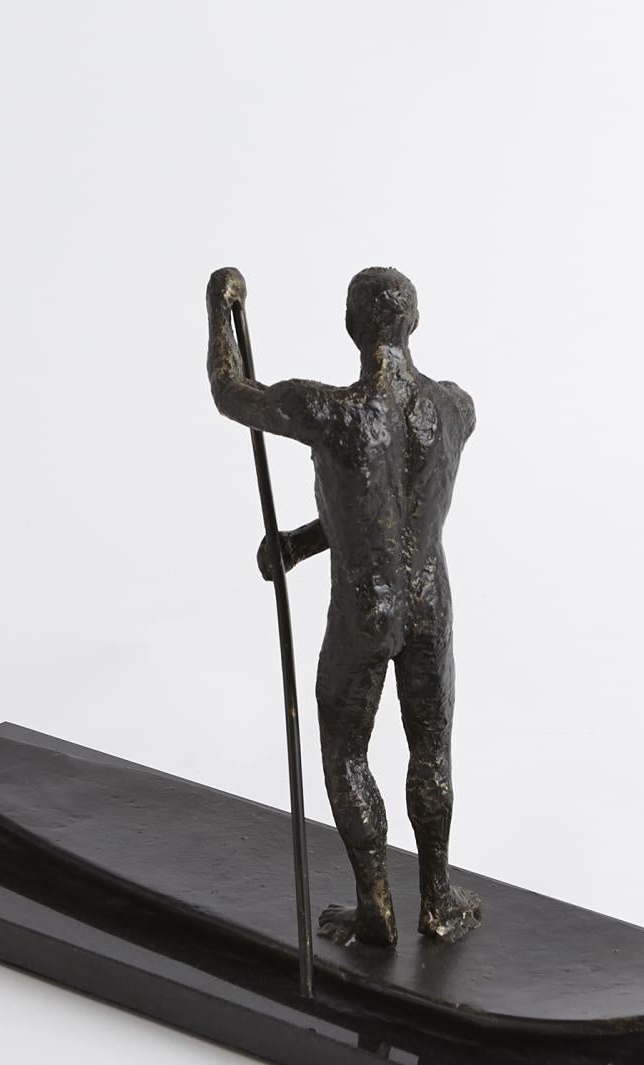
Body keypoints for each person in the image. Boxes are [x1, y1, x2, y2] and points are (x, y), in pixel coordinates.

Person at [206, 265, 482, 947]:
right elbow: (390, 509)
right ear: (413, 323)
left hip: (367, 607)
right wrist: (301, 543)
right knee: (432, 749)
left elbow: (230, 392)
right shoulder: (456, 409)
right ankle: (438, 899)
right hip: (430, 601)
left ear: (352, 326)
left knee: (346, 751)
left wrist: (220, 304)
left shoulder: (330, 411)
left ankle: (376, 908)